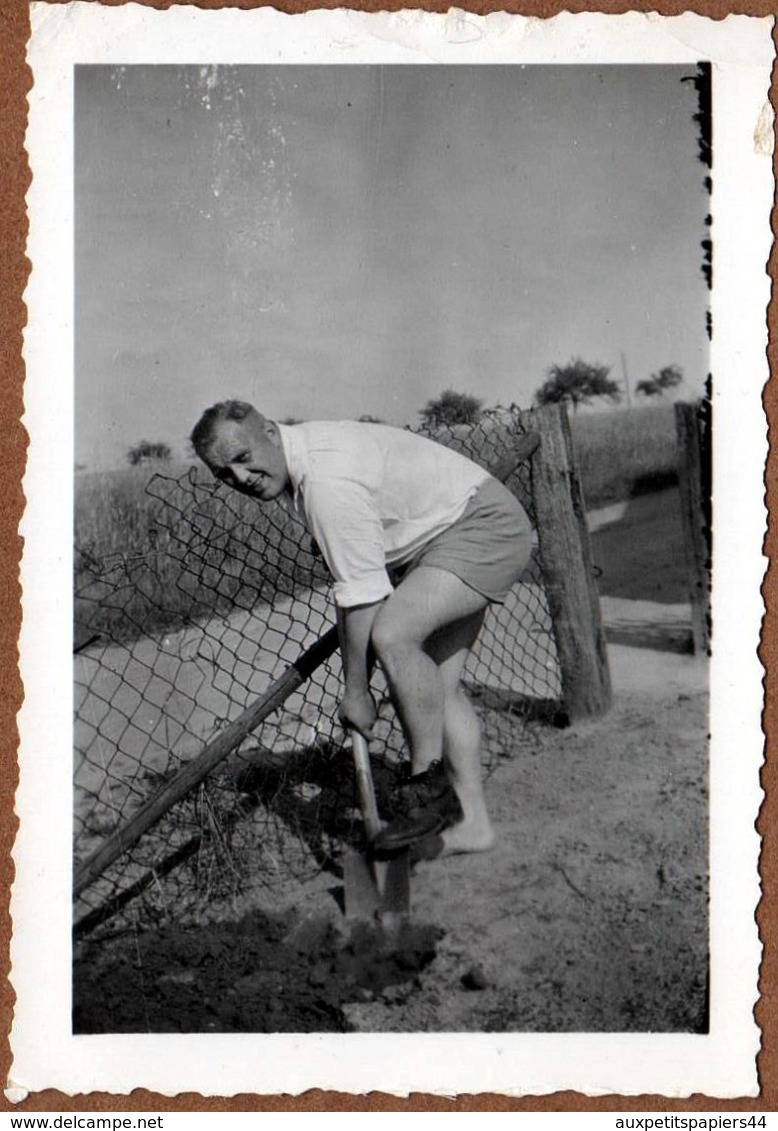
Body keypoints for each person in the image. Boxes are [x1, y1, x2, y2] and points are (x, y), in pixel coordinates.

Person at [190, 400, 533, 857]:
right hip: (448, 532)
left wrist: (357, 692)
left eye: (242, 458)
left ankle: (427, 786)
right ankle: (474, 827)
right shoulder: (306, 460)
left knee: (394, 634)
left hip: (479, 526)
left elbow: (364, 596)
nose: (240, 478)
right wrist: (361, 686)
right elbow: (358, 584)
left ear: (270, 432)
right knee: (440, 688)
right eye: (223, 474)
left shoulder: (324, 482)